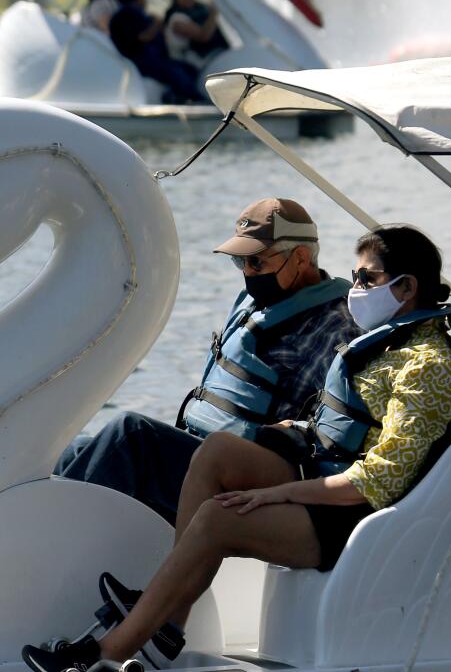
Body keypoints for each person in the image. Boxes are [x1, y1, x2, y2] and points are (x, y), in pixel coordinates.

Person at [24, 225, 451, 671]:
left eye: (368, 279)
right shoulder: (391, 340)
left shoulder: (428, 365)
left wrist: (278, 494)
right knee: (219, 451)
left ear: (406, 287)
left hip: (355, 515)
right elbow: (350, 425)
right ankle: (168, 624)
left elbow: (378, 481)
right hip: (326, 476)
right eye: (355, 276)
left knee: (217, 517)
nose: (355, 288)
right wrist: (295, 428)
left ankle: (112, 649)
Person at [54, 198, 360, 526]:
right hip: (199, 450)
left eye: (256, 262)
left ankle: (57, 536)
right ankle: (43, 538)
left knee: (130, 435)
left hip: (240, 469)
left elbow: (338, 426)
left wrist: (292, 431)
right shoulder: (260, 305)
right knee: (74, 449)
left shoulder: (334, 328)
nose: (247, 273)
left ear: (300, 258)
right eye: (239, 262)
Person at [107, 0, 203, 103]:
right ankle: (191, 98)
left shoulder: (133, 14)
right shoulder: (126, 14)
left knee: (189, 69)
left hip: (155, 58)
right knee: (176, 73)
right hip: (141, 60)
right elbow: (141, 38)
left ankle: (175, 94)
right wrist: (156, 24)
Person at [163, 0, 229, 70]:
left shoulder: (200, 7)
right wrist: (213, 13)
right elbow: (203, 36)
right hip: (203, 62)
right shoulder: (176, 19)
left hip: (221, 51)